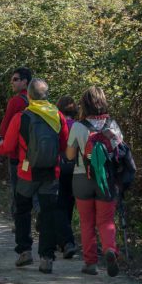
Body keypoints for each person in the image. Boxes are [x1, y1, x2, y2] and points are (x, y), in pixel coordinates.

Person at [0, 78, 69, 274]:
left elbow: (8, 147)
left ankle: (25, 251)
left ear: (29, 96)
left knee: (22, 211)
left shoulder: (21, 117)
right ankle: (46, 258)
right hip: (51, 172)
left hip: (26, 172)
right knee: (48, 214)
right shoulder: (58, 116)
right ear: (47, 95)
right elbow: (64, 145)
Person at [65, 86, 123, 277]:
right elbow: (119, 152)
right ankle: (110, 249)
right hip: (106, 178)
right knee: (106, 220)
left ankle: (90, 263)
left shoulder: (78, 126)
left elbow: (70, 155)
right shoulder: (112, 125)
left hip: (82, 178)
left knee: (86, 222)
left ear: (84, 104)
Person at [0, 66, 32, 224]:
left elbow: (5, 126)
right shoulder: (37, 102)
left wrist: (0, 150)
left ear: (25, 82)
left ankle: (18, 222)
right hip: (35, 155)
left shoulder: (16, 101)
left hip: (17, 155)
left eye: (16, 79)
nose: (12, 82)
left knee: (18, 189)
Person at [55, 96, 78, 258]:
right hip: (78, 169)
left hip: (60, 167)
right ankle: (63, 241)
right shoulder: (79, 126)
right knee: (69, 203)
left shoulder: (57, 125)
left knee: (60, 205)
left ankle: (67, 242)